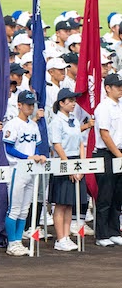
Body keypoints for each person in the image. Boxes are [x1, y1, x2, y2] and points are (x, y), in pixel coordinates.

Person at [1, 90, 47, 256]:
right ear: (19, 105)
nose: (30, 107)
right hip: (17, 168)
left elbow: (36, 145)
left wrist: (38, 156)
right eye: (27, 104)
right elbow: (9, 148)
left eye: (32, 104)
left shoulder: (33, 125)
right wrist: (29, 156)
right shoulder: (12, 124)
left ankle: (18, 241)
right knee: (14, 208)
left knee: (24, 209)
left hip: (30, 169)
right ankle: (11, 243)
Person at [48, 88, 93, 251]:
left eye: (74, 101)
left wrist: (81, 165)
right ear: (61, 103)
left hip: (75, 161)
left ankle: (66, 236)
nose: (74, 104)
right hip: (62, 162)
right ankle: (60, 238)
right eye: (70, 101)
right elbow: (57, 145)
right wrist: (69, 167)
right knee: (61, 203)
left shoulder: (73, 119)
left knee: (69, 204)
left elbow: (81, 143)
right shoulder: (56, 121)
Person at [92, 73, 122, 247]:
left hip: (119, 152)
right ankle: (102, 234)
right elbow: (104, 134)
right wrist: (118, 155)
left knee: (117, 195)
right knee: (105, 194)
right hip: (106, 154)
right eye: (117, 86)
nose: (120, 89)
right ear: (107, 88)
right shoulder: (103, 107)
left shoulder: (120, 105)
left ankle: (113, 231)